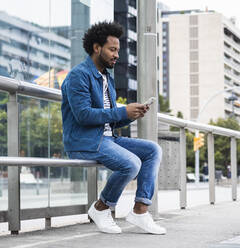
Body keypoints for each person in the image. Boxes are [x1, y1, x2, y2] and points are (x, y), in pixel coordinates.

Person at [61, 21, 165, 235]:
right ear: (96, 48)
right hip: (84, 141)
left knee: (152, 150)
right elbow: (83, 115)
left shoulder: (106, 76)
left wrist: (131, 115)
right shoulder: (78, 76)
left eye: (118, 50)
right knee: (131, 163)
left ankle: (140, 211)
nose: (117, 55)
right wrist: (121, 111)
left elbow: (109, 120)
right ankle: (101, 208)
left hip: (105, 138)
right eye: (112, 49)